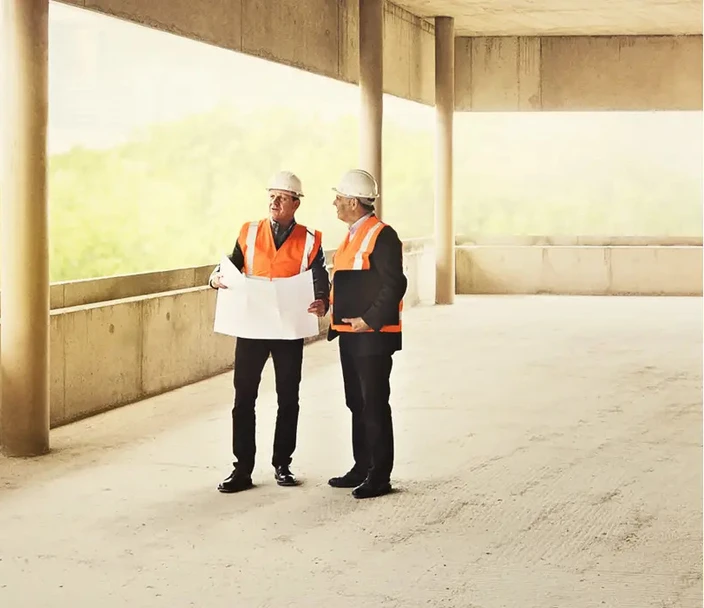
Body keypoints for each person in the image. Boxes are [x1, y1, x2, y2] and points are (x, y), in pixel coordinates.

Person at [209, 170, 330, 493]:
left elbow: (320, 276)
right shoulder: (248, 231)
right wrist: (214, 278)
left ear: (295, 203)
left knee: (288, 397)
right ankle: (242, 469)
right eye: (271, 196)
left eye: (281, 197)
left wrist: (322, 301)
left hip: (288, 329)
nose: (274, 202)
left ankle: (282, 464)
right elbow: (229, 267)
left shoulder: (310, 239)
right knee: (243, 398)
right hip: (252, 327)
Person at [326, 169, 407, 499]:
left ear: (352, 202)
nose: (334, 203)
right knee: (356, 402)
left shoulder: (382, 235)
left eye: (338, 198)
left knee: (374, 404)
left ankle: (380, 475)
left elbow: (395, 284)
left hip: (372, 336)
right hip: (350, 334)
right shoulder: (352, 235)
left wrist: (369, 320)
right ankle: (362, 466)